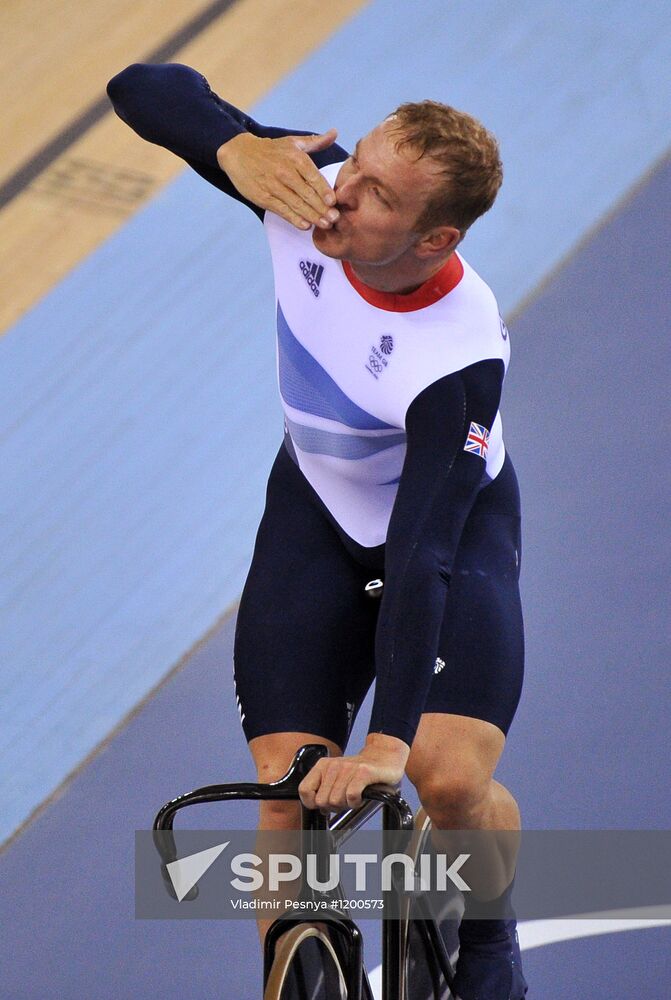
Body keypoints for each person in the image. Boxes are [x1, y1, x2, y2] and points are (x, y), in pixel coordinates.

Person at [108, 62, 528, 999]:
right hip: (316, 516)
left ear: (435, 239)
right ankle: (289, 974)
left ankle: (492, 948)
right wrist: (231, 145)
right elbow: (145, 84)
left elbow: (420, 559)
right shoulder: (306, 190)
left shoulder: (454, 356)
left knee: (447, 778)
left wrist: (384, 746)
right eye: (356, 163)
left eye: (377, 195)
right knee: (287, 785)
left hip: (444, 542)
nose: (343, 193)